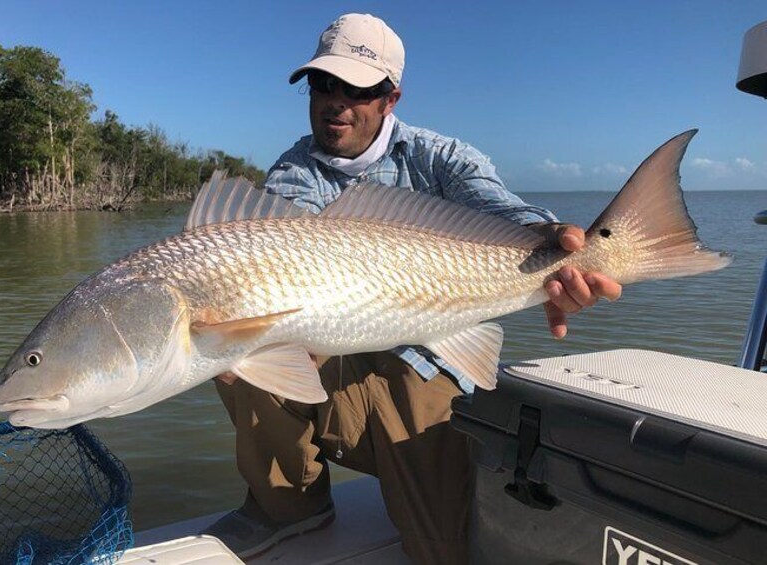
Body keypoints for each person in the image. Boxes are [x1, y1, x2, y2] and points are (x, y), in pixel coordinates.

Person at [204, 13, 622, 564]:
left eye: (358, 88)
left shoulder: (439, 156)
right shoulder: (293, 172)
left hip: (427, 364)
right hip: (337, 362)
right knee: (237, 353)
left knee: (441, 549)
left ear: (390, 98)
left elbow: (499, 209)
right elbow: (288, 265)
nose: (337, 101)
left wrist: (557, 244)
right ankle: (290, 506)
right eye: (324, 84)